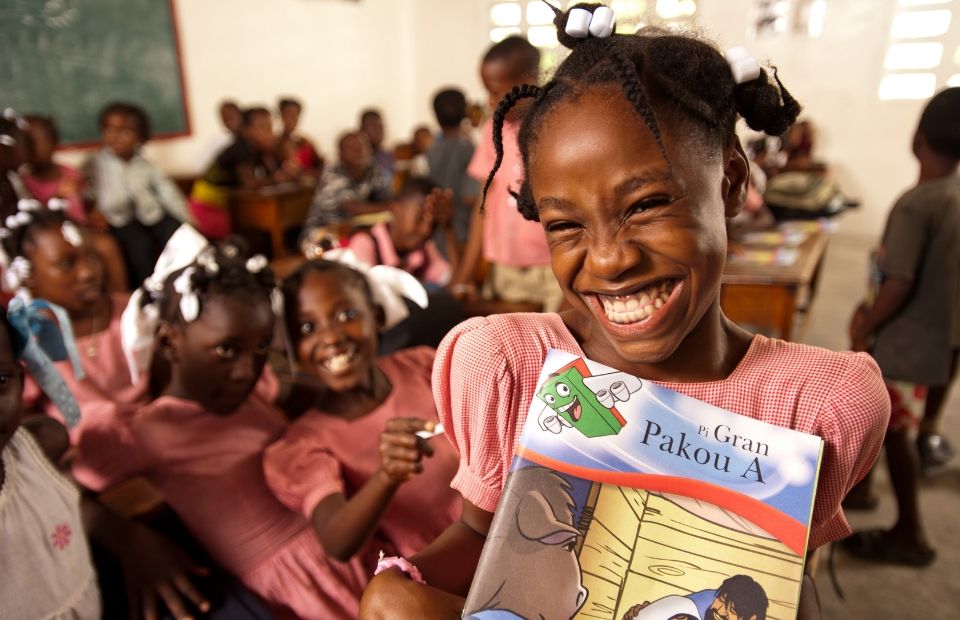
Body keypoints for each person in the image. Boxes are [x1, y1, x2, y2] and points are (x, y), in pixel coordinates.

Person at [360, 5, 889, 618]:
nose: (608, 260)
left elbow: (784, 581)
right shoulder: (509, 369)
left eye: (645, 204)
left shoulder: (818, 406)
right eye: (565, 224)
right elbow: (482, 538)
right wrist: (401, 589)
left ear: (732, 181)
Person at [76, 241, 370, 619]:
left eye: (262, 347)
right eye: (227, 350)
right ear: (170, 341)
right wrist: (130, 540)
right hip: (295, 586)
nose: (246, 370)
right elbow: (66, 490)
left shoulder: (257, 387)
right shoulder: (144, 431)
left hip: (343, 534)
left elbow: (302, 390)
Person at [264, 258, 460, 564]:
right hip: (441, 569)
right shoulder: (304, 443)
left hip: (502, 521)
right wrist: (387, 475)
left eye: (347, 314)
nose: (331, 337)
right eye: (307, 327)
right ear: (291, 348)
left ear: (377, 316)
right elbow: (337, 542)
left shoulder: (423, 366)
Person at [845, 87, 960, 567]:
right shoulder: (955, 198)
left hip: (906, 341)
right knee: (893, 420)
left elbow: (897, 284)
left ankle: (911, 533)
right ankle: (863, 491)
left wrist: (865, 327)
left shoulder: (917, 204)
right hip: (943, 338)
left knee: (895, 430)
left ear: (918, 139)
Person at [448, 36, 565, 313]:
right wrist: (465, 273)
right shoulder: (494, 129)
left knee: (556, 345)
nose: (489, 101)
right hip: (504, 268)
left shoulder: (557, 125)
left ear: (527, 80)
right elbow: (484, 201)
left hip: (551, 267)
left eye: (495, 91)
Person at [85, 102, 193, 286]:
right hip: (118, 220)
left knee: (177, 231)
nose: (116, 137)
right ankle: (148, 287)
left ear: (140, 139)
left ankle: (190, 277)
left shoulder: (145, 165)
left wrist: (189, 221)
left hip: (150, 214)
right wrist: (92, 211)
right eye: (110, 130)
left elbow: (169, 193)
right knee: (139, 244)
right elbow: (86, 192)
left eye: (125, 132)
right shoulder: (96, 164)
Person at [21, 114, 129, 292]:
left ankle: (121, 298)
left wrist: (94, 214)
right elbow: (33, 217)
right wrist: (57, 196)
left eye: (37, 142)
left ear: (54, 142)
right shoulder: (25, 182)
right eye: (26, 143)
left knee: (107, 246)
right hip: (52, 240)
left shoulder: (70, 173)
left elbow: (86, 202)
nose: (32, 149)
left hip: (81, 230)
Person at [189, 106, 290, 239]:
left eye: (270, 128)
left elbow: (271, 174)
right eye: (262, 128)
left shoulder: (258, 150)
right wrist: (277, 178)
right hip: (208, 207)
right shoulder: (239, 150)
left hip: (227, 205)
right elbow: (249, 185)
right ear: (246, 130)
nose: (268, 134)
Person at [346, 177, 458, 288]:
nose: (426, 231)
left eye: (434, 225)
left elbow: (454, 285)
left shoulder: (423, 250)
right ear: (396, 209)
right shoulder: (365, 244)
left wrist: (448, 228)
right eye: (419, 218)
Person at [426, 88, 480, 255]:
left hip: (434, 234)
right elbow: (471, 197)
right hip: (462, 234)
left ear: (436, 117)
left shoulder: (431, 149)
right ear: (465, 112)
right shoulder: (469, 149)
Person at [305, 131, 392, 229]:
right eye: (352, 147)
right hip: (323, 233)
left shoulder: (371, 168)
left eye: (363, 146)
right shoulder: (333, 173)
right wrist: (391, 207)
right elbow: (353, 208)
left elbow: (387, 195)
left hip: (352, 228)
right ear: (341, 154)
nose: (359, 150)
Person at [194, 100, 244, 174]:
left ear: (240, 115)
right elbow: (198, 166)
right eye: (224, 117)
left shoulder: (251, 138)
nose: (228, 120)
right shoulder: (218, 141)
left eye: (231, 116)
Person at [277, 97, 322, 175]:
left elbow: (319, 165)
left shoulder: (306, 143)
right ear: (280, 115)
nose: (292, 118)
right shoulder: (274, 143)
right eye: (288, 114)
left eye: (295, 115)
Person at [360, 108, 395, 176]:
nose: (378, 132)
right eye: (374, 128)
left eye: (381, 127)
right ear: (361, 129)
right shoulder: (356, 159)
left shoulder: (388, 157)